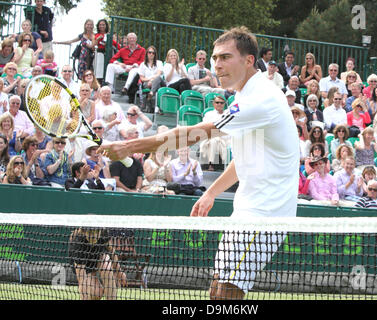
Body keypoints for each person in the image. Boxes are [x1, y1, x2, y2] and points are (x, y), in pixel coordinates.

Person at [98, 26, 300, 300]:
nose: (217, 65)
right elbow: (245, 162)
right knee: (216, 290)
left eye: (226, 57)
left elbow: (192, 134)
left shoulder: (261, 98)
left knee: (226, 295)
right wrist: (211, 192)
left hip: (265, 217)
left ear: (249, 60)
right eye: (215, 58)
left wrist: (128, 146)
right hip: (245, 212)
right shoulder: (243, 96)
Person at [68, 227, 127, 300]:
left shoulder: (103, 232)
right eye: (91, 233)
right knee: (97, 293)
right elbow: (82, 280)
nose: (94, 236)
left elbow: (111, 251)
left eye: (97, 232)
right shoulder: (77, 243)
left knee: (107, 268)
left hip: (98, 256)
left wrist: (119, 272)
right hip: (84, 265)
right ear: (84, 232)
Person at [199, 95, 230, 171]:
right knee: (214, 141)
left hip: (224, 137)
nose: (219, 104)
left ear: (224, 104)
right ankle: (211, 163)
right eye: (217, 102)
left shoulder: (227, 114)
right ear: (213, 104)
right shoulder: (209, 114)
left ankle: (230, 166)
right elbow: (205, 127)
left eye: (221, 103)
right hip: (211, 136)